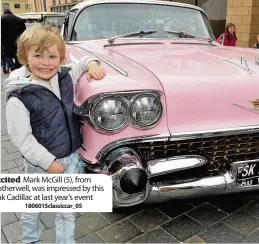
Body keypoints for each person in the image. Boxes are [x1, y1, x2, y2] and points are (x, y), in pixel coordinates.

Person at [4, 25, 106, 244]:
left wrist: (92, 64)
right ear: (24, 57)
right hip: (40, 165)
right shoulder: (19, 97)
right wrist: (48, 162)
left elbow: (81, 62)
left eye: (52, 56)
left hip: (71, 159)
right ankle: (30, 240)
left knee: (66, 210)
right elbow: (22, 139)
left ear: (61, 57)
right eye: (37, 55)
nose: (46, 62)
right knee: (33, 209)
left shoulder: (64, 76)